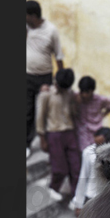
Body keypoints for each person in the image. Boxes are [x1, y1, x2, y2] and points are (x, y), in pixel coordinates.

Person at [35, 68, 81, 202]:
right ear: (56, 83)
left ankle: (76, 195)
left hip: (70, 133)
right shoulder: (46, 95)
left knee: (76, 166)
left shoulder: (70, 93)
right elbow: (40, 117)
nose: (63, 90)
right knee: (60, 168)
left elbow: (74, 112)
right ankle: (53, 188)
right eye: (61, 87)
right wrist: (42, 139)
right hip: (54, 134)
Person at [27, 0, 64, 159]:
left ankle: (49, 144)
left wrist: (61, 82)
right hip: (27, 77)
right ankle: (26, 144)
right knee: (27, 112)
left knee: (45, 112)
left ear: (33, 16)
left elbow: (59, 56)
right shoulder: (26, 28)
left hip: (45, 78)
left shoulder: (51, 30)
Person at [70, 127, 110, 216]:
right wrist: (79, 204)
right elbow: (83, 178)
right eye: (95, 144)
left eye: (100, 145)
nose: (96, 148)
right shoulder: (88, 153)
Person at [74, 76, 110, 151]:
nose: (85, 95)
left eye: (87, 92)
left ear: (92, 91)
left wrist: (103, 115)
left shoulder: (99, 99)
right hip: (82, 133)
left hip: (96, 131)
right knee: (85, 153)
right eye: (83, 92)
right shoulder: (75, 98)